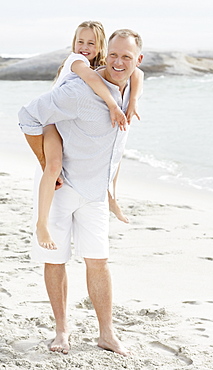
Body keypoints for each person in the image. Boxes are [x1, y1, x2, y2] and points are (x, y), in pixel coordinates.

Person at [18, 28, 143, 356]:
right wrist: (48, 164)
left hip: (95, 194)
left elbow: (137, 78)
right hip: (61, 189)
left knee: (99, 261)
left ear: (137, 60)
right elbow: (28, 115)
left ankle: (107, 333)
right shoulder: (77, 91)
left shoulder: (131, 87)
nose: (118, 62)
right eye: (113, 55)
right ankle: (62, 330)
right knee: (55, 260)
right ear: (106, 54)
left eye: (126, 57)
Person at [37, 21, 144, 250]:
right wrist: (114, 105)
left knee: (115, 151)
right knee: (54, 165)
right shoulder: (76, 61)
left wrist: (132, 101)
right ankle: (42, 223)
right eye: (80, 41)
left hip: (68, 120)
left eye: (91, 43)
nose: (84, 47)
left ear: (101, 46)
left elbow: (139, 73)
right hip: (53, 122)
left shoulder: (108, 64)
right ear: (73, 43)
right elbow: (93, 80)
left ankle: (112, 199)